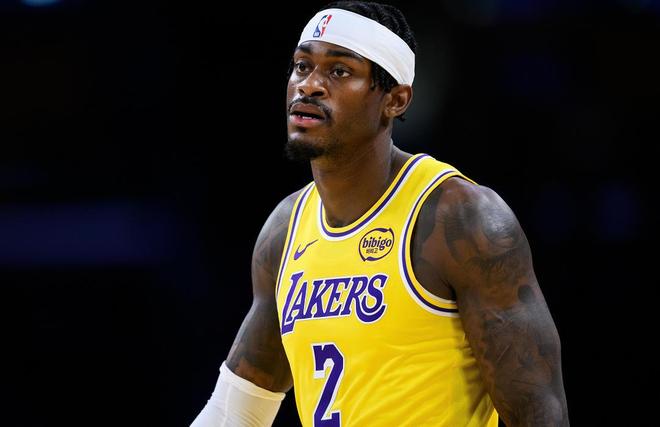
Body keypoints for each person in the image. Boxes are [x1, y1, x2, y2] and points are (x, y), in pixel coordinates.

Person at [191, 1, 569, 426]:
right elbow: (236, 412)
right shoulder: (285, 231)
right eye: (302, 66)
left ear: (395, 100)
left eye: (339, 71)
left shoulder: (460, 218)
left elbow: (540, 414)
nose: (309, 86)